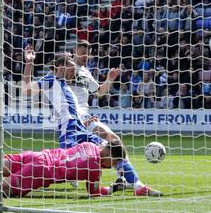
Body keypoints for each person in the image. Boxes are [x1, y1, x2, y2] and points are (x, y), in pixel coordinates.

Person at [23, 44, 162, 196]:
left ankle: (137, 186)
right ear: (61, 67)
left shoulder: (68, 86)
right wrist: (29, 62)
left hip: (80, 127)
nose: (73, 72)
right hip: (70, 132)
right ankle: (21, 175)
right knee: (59, 169)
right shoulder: (50, 80)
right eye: (70, 69)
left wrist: (85, 122)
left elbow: (74, 106)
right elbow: (27, 90)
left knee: (115, 148)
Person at [0, 136, 127, 197]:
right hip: (42, 171)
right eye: (115, 162)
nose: (112, 166)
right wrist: (114, 188)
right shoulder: (95, 167)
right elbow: (93, 192)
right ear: (110, 154)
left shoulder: (89, 145)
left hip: (38, 155)